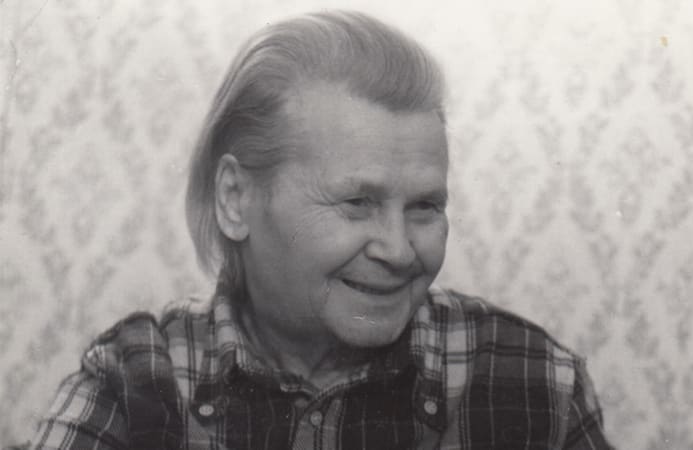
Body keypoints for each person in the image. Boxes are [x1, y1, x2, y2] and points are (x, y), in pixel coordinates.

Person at [29, 10, 613, 449]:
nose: (399, 250)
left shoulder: (537, 383)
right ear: (235, 200)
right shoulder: (132, 388)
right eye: (357, 202)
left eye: (424, 207)